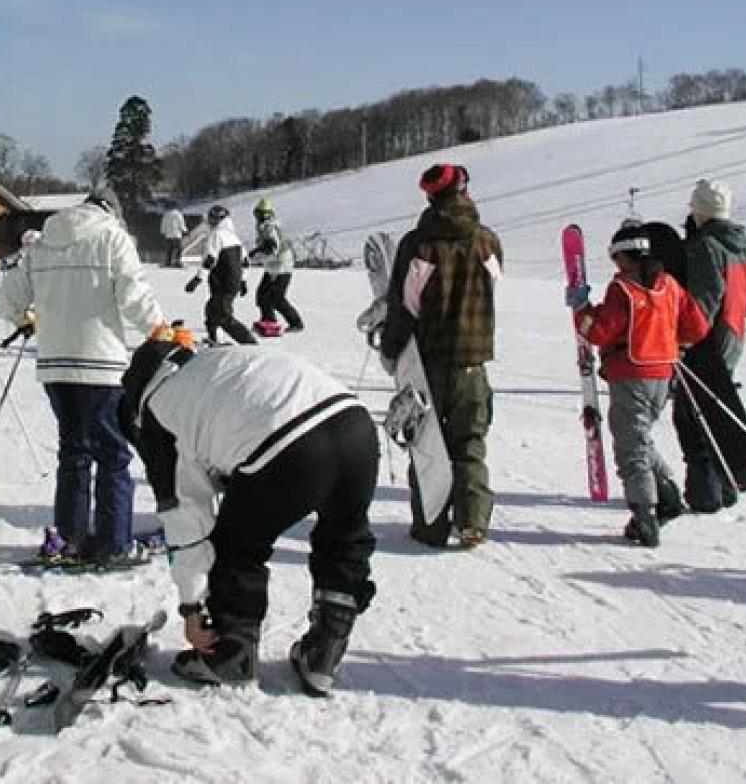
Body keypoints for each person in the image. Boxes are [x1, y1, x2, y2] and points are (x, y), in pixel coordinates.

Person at [120, 339, 378, 695]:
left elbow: (187, 521)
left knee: (236, 545)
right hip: (356, 425)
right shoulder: (214, 361)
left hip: (290, 445)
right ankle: (323, 654)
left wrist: (191, 608)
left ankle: (232, 656)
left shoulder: (158, 411)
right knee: (344, 535)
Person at [0, 187, 192, 564]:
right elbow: (134, 295)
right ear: (112, 211)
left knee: (74, 453)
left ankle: (70, 539)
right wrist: (161, 331)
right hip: (100, 365)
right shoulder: (112, 238)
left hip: (55, 366)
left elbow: (6, 301)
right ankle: (114, 544)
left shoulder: (42, 243)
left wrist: (26, 318)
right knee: (113, 455)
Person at [379, 163, 503, 549]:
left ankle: (430, 526)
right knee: (469, 442)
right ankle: (472, 522)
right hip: (473, 361)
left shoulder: (419, 245)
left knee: (427, 445)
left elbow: (405, 306)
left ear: (430, 196)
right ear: (464, 190)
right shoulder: (487, 241)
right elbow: (494, 282)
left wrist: (391, 349)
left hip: (427, 360)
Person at [569, 224, 710, 546]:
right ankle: (667, 493)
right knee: (639, 435)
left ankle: (645, 514)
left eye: (615, 257)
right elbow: (697, 327)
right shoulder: (669, 285)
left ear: (625, 255)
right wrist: (670, 340)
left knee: (631, 445)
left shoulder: (624, 289)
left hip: (631, 373)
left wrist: (581, 309)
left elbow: (599, 331)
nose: (615, 264)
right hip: (663, 374)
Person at [672, 178, 746, 512]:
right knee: (715, 411)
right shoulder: (740, 245)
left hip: (706, 343)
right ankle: (724, 483)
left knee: (691, 415)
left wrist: (683, 339)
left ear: (700, 211)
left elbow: (704, 299)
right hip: (732, 337)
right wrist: (739, 312)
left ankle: (706, 490)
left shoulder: (706, 246)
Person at [184, 204, 256, 345]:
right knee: (211, 309)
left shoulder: (216, 235)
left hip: (223, 282)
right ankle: (213, 338)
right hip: (232, 281)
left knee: (223, 316)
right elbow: (245, 261)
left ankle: (249, 342)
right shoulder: (233, 236)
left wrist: (197, 279)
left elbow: (210, 259)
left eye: (212, 218)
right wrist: (243, 281)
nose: (210, 221)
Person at [248, 196, 304, 334]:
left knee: (276, 298)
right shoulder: (264, 227)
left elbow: (272, 248)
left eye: (260, 214)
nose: (258, 217)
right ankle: (268, 321)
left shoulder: (270, 227)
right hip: (272, 266)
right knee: (262, 294)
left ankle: (296, 323)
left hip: (282, 267)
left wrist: (257, 252)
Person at [160, 201, 188, 269]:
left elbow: (163, 224)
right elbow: (181, 223)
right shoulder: (178, 214)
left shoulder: (166, 214)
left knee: (169, 249)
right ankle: (177, 261)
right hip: (176, 234)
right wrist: (185, 230)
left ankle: (168, 261)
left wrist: (163, 231)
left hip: (168, 235)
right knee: (178, 249)